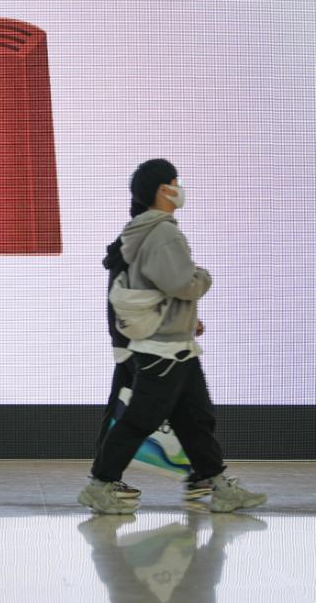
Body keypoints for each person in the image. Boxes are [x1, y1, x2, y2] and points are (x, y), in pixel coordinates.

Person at [78, 158, 266, 515]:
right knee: (140, 419)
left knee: (195, 418)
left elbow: (155, 286)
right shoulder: (163, 232)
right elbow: (181, 283)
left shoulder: (138, 229)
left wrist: (187, 319)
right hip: (162, 350)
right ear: (163, 189)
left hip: (173, 345)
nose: (180, 189)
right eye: (176, 182)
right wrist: (203, 277)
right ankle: (100, 485)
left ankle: (218, 484)